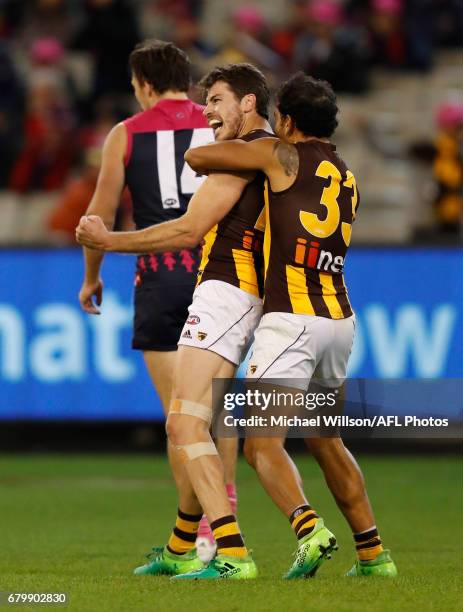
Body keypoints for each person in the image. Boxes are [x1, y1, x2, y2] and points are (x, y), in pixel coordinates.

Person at [183, 72, 398, 578]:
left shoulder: (280, 154)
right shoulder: (346, 174)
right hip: (340, 320)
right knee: (326, 438)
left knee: (260, 443)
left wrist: (234, 145)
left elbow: (200, 158)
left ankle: (308, 528)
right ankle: (373, 554)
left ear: (285, 120)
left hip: (292, 321)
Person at [77, 63, 275, 580]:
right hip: (232, 276)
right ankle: (195, 538)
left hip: (165, 273)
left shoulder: (128, 132)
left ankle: (214, 541)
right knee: (218, 417)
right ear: (186, 82)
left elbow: (102, 208)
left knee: (182, 420)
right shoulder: (225, 128)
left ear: (142, 84)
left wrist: (93, 270)